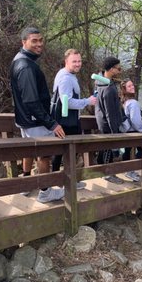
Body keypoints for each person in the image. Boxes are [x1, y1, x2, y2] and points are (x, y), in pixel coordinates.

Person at [10, 27, 66, 203]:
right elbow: (31, 101)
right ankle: (45, 191)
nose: (39, 44)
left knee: (28, 150)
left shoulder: (19, 60)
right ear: (23, 42)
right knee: (44, 155)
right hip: (35, 120)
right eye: (34, 40)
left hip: (24, 119)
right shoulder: (26, 66)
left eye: (41, 40)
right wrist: (52, 123)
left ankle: (26, 184)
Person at [50, 49, 97, 188]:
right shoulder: (65, 78)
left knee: (63, 153)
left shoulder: (67, 74)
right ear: (66, 62)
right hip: (66, 121)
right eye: (74, 61)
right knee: (68, 152)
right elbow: (67, 102)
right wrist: (87, 101)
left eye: (79, 61)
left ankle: (61, 182)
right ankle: (64, 183)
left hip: (66, 120)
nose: (78, 64)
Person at [95, 56, 124, 184]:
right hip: (107, 124)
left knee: (105, 149)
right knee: (109, 149)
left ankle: (102, 171)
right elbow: (110, 113)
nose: (120, 71)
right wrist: (115, 131)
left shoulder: (101, 82)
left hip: (102, 121)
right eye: (118, 68)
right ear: (111, 69)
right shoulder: (107, 88)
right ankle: (107, 174)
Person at [119, 79, 142, 182]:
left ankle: (126, 170)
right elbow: (135, 120)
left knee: (127, 150)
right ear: (125, 89)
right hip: (133, 131)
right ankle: (130, 171)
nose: (132, 87)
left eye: (132, 85)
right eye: (129, 86)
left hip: (126, 130)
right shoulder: (133, 103)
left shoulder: (124, 102)